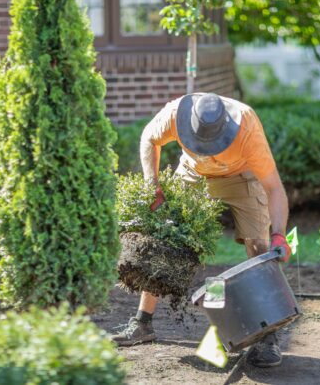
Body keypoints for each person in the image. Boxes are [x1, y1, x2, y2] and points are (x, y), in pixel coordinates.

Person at [112, 93, 291, 368]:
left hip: (240, 176)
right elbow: (149, 137)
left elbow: (274, 188)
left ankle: (267, 337)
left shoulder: (246, 126)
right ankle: (142, 323)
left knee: (259, 248)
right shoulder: (176, 113)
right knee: (163, 240)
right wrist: (153, 186)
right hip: (193, 173)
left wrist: (279, 233)